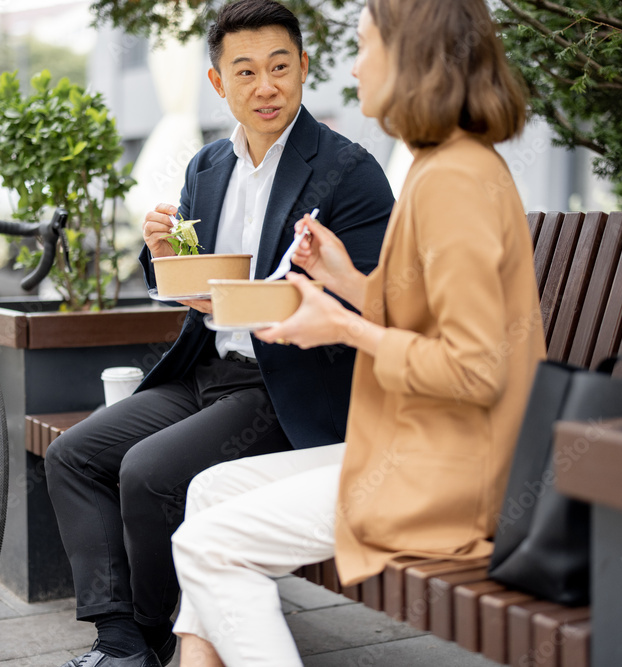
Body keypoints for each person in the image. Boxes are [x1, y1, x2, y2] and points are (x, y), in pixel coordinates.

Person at [168, 0, 546, 664]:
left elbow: (477, 368)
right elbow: (418, 313)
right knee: (209, 491)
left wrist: (340, 324)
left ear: (411, 59)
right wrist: (343, 277)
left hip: (453, 472)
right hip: (420, 447)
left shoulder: (454, 179)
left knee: (206, 543)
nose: (356, 64)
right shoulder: (438, 165)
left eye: (368, 47)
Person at [44, 1, 395, 665]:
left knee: (148, 474)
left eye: (280, 67)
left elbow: (380, 294)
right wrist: (160, 252)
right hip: (206, 369)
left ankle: (148, 637)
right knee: (75, 455)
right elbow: (192, 278)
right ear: (218, 83)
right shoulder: (207, 166)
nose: (265, 86)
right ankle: (119, 636)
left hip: (286, 387)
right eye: (246, 71)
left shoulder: (349, 172)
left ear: (303, 69)